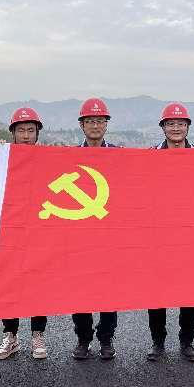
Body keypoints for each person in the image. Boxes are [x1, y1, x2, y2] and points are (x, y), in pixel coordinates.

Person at [0, 107, 49, 361]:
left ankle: (38, 334)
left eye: (30, 130)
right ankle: (11, 334)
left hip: (39, 232)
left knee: (38, 284)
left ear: (37, 133)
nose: (26, 135)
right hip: (11, 232)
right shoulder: (3, 160)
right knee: (10, 283)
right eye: (21, 130)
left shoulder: (47, 159)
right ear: (13, 133)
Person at [147, 102, 194, 362]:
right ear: (163, 127)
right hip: (158, 236)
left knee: (190, 291)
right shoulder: (149, 157)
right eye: (171, 124)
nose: (176, 128)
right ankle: (158, 342)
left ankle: (187, 341)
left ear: (188, 127)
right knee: (156, 291)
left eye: (181, 124)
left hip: (190, 236)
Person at [71, 98, 119, 361]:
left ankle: (106, 338)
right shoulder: (68, 157)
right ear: (82, 125)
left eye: (100, 121)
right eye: (90, 121)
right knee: (80, 290)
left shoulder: (119, 156)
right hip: (79, 236)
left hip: (110, 236)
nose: (96, 125)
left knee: (109, 290)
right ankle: (83, 338)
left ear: (106, 124)